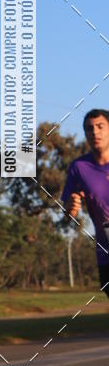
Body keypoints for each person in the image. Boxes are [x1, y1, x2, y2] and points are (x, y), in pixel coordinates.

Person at [62, 108, 109, 296]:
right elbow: (67, 212)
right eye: (89, 129)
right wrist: (71, 206)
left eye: (100, 126)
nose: (95, 132)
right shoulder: (79, 167)